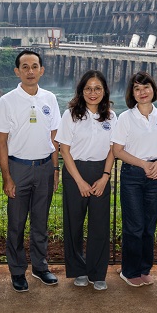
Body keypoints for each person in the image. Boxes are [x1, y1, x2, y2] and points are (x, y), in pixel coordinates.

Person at [0, 50, 61, 292]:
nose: (30, 71)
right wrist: (7, 176)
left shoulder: (50, 98)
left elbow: (55, 136)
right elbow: (1, 141)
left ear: (42, 70)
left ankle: (40, 266)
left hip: (44, 167)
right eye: (25, 67)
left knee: (40, 222)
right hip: (18, 167)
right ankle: (17, 270)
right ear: (17, 71)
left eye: (35, 66)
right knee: (16, 223)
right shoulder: (8, 101)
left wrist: (55, 168)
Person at [56, 70, 117, 291]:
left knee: (100, 225)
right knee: (74, 224)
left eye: (97, 88)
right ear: (82, 91)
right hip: (75, 172)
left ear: (104, 91)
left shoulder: (111, 116)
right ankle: (78, 269)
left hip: (101, 172)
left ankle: (97, 272)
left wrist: (105, 177)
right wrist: (80, 181)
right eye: (88, 88)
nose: (93, 93)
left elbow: (113, 150)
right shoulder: (71, 114)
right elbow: (64, 150)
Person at [111, 72, 157, 287]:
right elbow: (117, 150)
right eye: (137, 89)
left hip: (155, 174)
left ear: (153, 89)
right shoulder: (126, 118)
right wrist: (144, 164)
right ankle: (129, 270)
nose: (142, 92)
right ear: (132, 94)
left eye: (146, 87)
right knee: (134, 226)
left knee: (149, 226)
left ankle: (144, 267)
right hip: (133, 175)